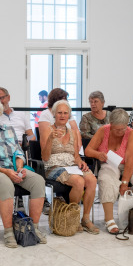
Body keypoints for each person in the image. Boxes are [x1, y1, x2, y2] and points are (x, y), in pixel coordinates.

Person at [0, 98, 47, 248]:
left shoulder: (9, 129)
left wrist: (19, 167)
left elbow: (18, 152)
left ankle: (33, 228)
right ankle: (8, 232)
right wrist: (5, 171)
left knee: (38, 181)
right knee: (6, 184)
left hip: (12, 168)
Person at [87, 108, 133, 234]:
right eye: (116, 129)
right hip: (110, 163)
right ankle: (109, 219)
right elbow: (88, 151)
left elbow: (130, 160)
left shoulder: (130, 133)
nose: (120, 132)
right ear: (111, 124)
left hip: (131, 163)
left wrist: (125, 182)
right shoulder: (103, 130)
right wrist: (99, 154)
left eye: (123, 128)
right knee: (106, 181)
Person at [42, 100, 99, 234]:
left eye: (65, 113)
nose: (62, 115)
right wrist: (50, 138)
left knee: (91, 180)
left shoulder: (73, 132)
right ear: (54, 114)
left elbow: (76, 155)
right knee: (79, 181)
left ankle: (85, 219)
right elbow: (44, 157)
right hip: (53, 166)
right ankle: (74, 217)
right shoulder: (47, 130)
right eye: (59, 113)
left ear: (69, 115)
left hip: (71, 165)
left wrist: (80, 162)